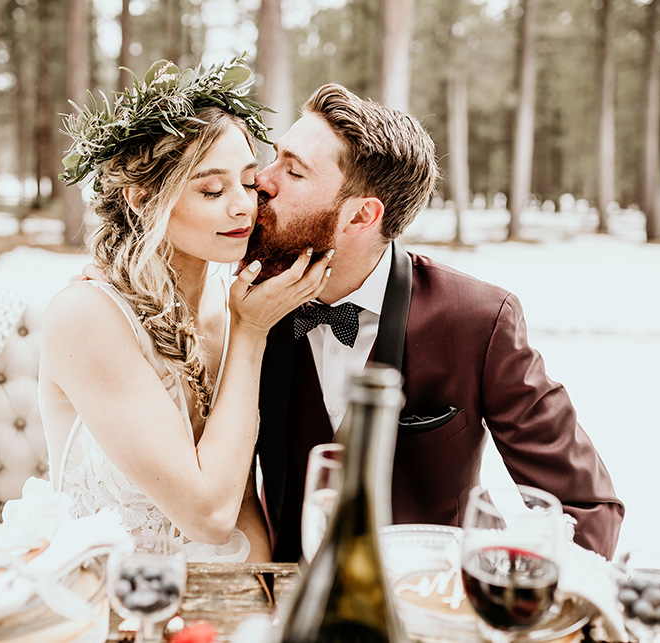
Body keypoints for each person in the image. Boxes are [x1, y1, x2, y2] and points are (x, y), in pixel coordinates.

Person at [244, 84, 626, 562]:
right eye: (274, 157)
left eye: (293, 170)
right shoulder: (246, 311)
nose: (262, 178)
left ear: (362, 215)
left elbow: (585, 506)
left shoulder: (480, 322)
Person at [41, 57, 331, 563]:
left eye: (248, 182)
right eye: (212, 190)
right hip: (109, 595)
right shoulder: (88, 317)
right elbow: (210, 516)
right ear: (140, 200)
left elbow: (241, 505)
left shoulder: (231, 301)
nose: (244, 205)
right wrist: (251, 333)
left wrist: (257, 606)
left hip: (218, 598)